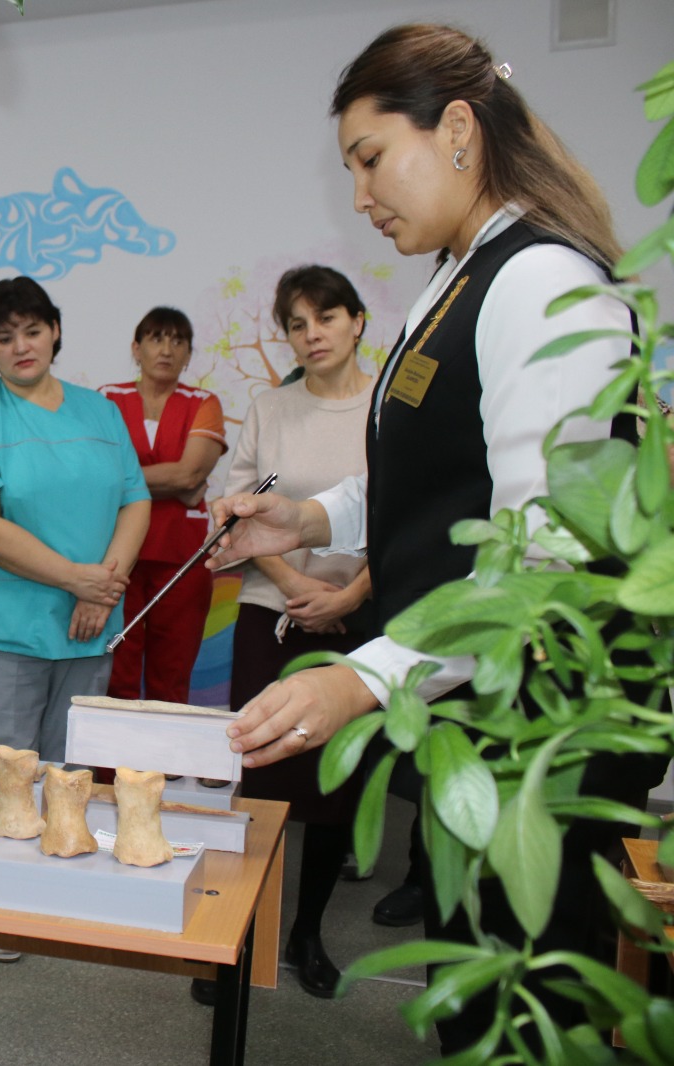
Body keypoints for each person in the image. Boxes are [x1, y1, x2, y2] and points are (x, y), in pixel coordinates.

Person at [208, 24, 668, 1052]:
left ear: (457, 127)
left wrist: (363, 678)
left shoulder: (539, 280)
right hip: (477, 714)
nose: (360, 195)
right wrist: (309, 517)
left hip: (544, 729)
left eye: (370, 158)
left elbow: (542, 551)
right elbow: (443, 476)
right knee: (474, 1001)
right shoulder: (458, 278)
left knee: (522, 1013)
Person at [213, 266, 377, 1002]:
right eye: (297, 324)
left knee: (335, 783)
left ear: (358, 321)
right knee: (261, 776)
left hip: (359, 615)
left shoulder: (388, 407)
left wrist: (351, 593)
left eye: (327, 318)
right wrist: (294, 587)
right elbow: (238, 509)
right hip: (270, 609)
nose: (312, 335)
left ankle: (307, 932)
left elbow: (404, 512)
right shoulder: (270, 407)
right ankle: (239, 936)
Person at [0, 276, 151, 764]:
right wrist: (76, 579)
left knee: (72, 776)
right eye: (4, 338)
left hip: (90, 626)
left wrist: (100, 589)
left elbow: (135, 501)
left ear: (55, 331)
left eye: (33, 331)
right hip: (7, 631)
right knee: (4, 777)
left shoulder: (100, 411)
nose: (21, 347)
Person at [98, 308, 226, 709]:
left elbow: (190, 475)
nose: (166, 350)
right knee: (115, 674)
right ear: (136, 349)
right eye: (156, 339)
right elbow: (98, 473)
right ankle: (110, 753)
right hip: (117, 555)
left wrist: (126, 478)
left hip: (182, 559)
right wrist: (175, 482)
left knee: (171, 679)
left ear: (189, 354)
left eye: (178, 341)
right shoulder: (107, 398)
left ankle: (165, 754)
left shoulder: (203, 402)